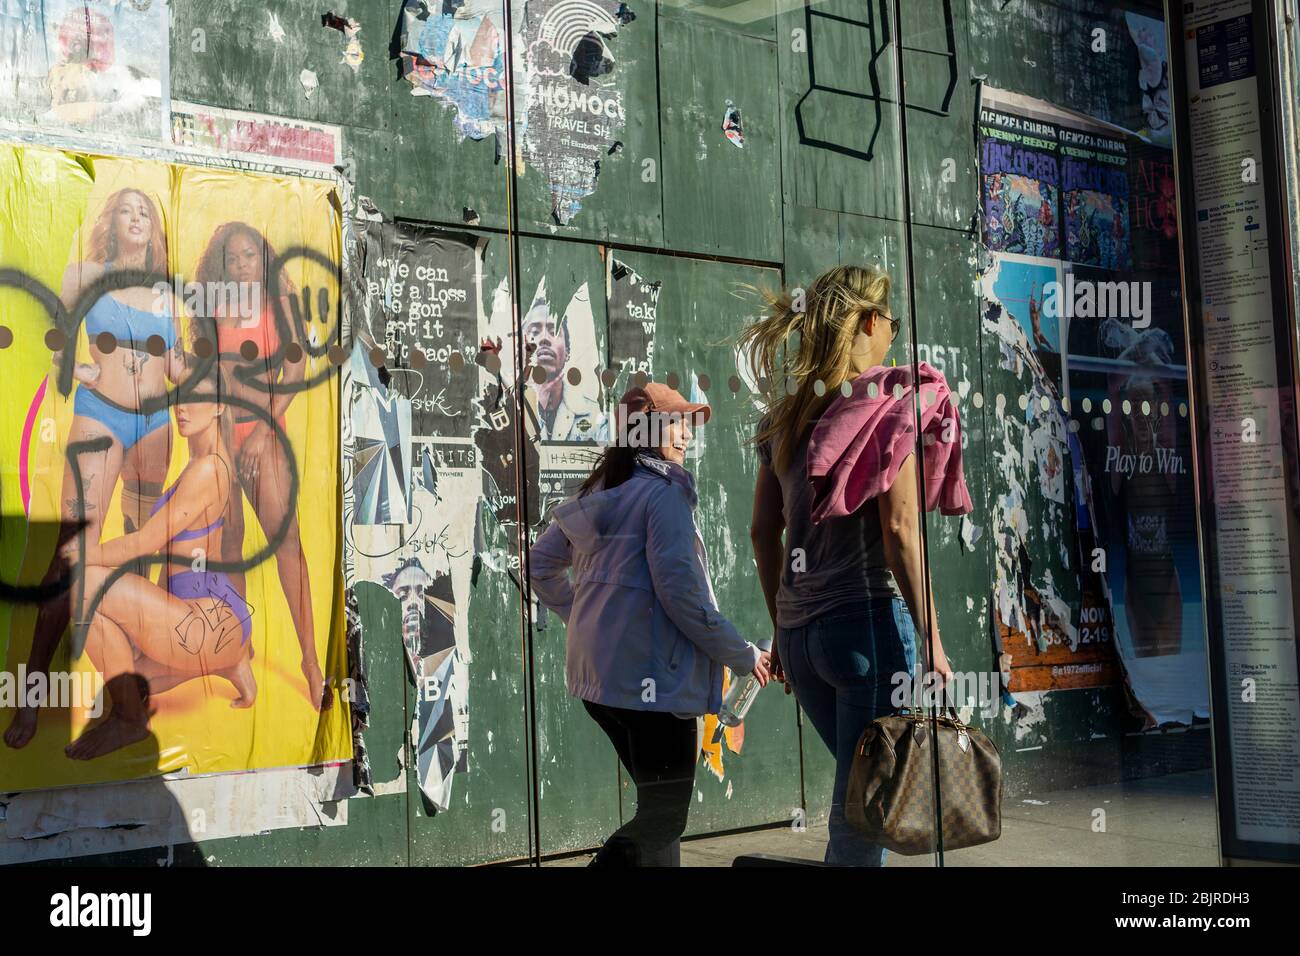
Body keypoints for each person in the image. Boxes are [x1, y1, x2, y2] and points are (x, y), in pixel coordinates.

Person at [743, 264, 958, 867]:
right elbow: (899, 532)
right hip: (865, 630)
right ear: (870, 322)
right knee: (861, 817)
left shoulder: (782, 418)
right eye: (891, 321)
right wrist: (932, 637)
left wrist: (782, 630)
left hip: (802, 636)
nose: (894, 332)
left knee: (863, 796)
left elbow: (763, 533)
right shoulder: (891, 408)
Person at [528, 383, 770, 866]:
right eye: (677, 423)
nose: (686, 435)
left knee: (653, 810)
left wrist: (588, 617)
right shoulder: (663, 497)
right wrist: (744, 655)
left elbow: (540, 564)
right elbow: (682, 596)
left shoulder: (604, 490)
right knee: (665, 816)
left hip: (603, 686)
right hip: (652, 688)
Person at [6, 186, 184, 750]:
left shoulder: (166, 293)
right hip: (101, 418)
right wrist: (71, 366)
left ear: (154, 231)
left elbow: (178, 364)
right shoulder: (85, 272)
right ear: (113, 221)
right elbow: (55, 338)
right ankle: (32, 697)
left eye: (146, 213)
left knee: (140, 559)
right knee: (70, 556)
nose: (137, 217)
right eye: (127, 210)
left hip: (155, 427)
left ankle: (124, 702)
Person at [60, 382, 256, 760]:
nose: (181, 408)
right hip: (215, 623)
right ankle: (232, 661)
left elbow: (144, 543)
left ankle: (131, 720)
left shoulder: (207, 470)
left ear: (218, 405)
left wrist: (83, 556)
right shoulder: (208, 462)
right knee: (130, 675)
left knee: (80, 587)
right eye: (178, 398)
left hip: (201, 624)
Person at [193, 221, 330, 711]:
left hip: (266, 435)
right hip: (224, 436)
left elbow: (295, 369)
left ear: (263, 258)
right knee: (228, 545)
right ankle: (240, 651)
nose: (242, 264)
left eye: (250, 255)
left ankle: (310, 662)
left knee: (286, 544)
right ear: (221, 265)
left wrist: (267, 427)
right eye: (233, 258)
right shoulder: (213, 307)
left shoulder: (281, 304)